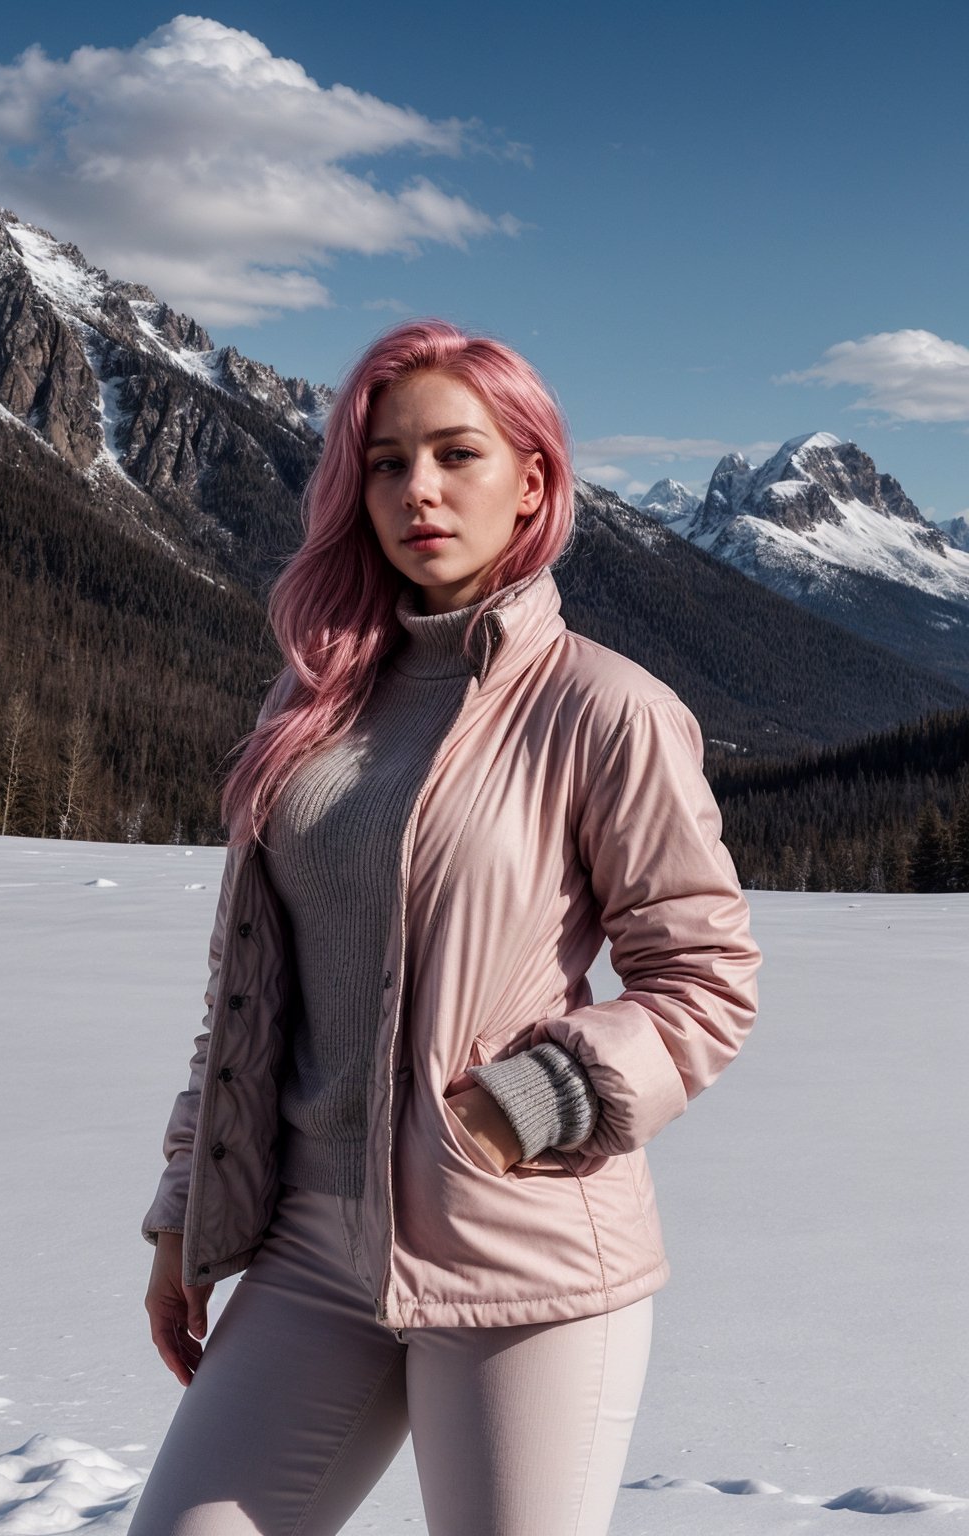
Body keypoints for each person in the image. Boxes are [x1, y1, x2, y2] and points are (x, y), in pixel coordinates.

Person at [128, 318, 761, 1536]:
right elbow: (249, 994)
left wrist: (522, 1108)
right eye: (384, 461)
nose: (417, 488)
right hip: (312, 1248)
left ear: (531, 481)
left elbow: (703, 980)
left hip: (522, 1254)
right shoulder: (309, 704)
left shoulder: (604, 708)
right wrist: (183, 1208)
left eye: (456, 454)